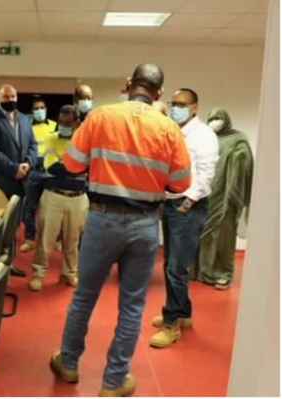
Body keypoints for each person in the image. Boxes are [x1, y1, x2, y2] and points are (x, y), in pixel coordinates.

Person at [49, 63, 192, 396]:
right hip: (144, 225)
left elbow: (71, 164)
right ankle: (114, 382)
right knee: (132, 305)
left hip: (101, 219)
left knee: (84, 297)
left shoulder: (100, 117)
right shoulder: (169, 128)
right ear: (158, 93)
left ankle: (68, 364)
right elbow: (181, 183)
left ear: (128, 85)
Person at [149, 88, 219, 349]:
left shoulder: (204, 135)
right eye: (173, 103)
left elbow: (206, 173)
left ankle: (172, 324)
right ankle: (184, 314)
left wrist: (188, 203)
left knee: (177, 268)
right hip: (170, 203)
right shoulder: (174, 131)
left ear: (194, 108)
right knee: (171, 263)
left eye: (182, 104)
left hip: (188, 206)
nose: (176, 107)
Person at [0, 84, 38, 277]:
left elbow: (32, 144)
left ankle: (9, 264)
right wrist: (13, 169)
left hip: (21, 182)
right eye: (6, 97)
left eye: (13, 96)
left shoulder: (23, 119)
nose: (11, 100)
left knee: (13, 227)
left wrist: (28, 163)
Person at [29, 105, 88, 291]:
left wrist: (67, 166)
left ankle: (70, 273)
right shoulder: (50, 139)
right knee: (46, 239)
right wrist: (74, 167)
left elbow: (89, 168)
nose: (63, 126)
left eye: (68, 123)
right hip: (53, 196)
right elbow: (52, 168)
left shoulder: (85, 143)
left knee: (73, 241)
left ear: (77, 123)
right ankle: (39, 274)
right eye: (61, 122)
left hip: (78, 199)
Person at [195, 107, 253, 290]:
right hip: (204, 197)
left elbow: (246, 162)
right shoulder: (206, 139)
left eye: (218, 118)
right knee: (201, 236)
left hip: (226, 197)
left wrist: (238, 158)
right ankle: (200, 272)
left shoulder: (238, 139)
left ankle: (223, 274)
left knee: (223, 238)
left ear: (226, 119)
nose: (214, 121)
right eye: (211, 117)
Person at [20, 95, 58, 252]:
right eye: (36, 109)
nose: (39, 111)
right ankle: (30, 239)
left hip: (51, 174)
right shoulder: (27, 127)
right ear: (31, 111)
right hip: (33, 173)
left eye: (42, 108)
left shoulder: (55, 126)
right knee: (30, 207)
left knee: (53, 209)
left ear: (47, 109)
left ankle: (55, 240)